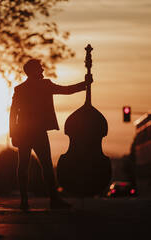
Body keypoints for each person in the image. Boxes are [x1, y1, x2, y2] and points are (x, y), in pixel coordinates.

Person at [9, 59, 93, 210]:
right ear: (33, 70)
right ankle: (53, 200)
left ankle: (25, 201)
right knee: (44, 166)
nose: (42, 70)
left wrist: (13, 134)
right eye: (39, 68)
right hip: (37, 132)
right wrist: (85, 84)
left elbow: (13, 114)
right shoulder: (44, 85)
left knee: (24, 166)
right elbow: (66, 90)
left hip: (25, 133)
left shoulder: (20, 89)